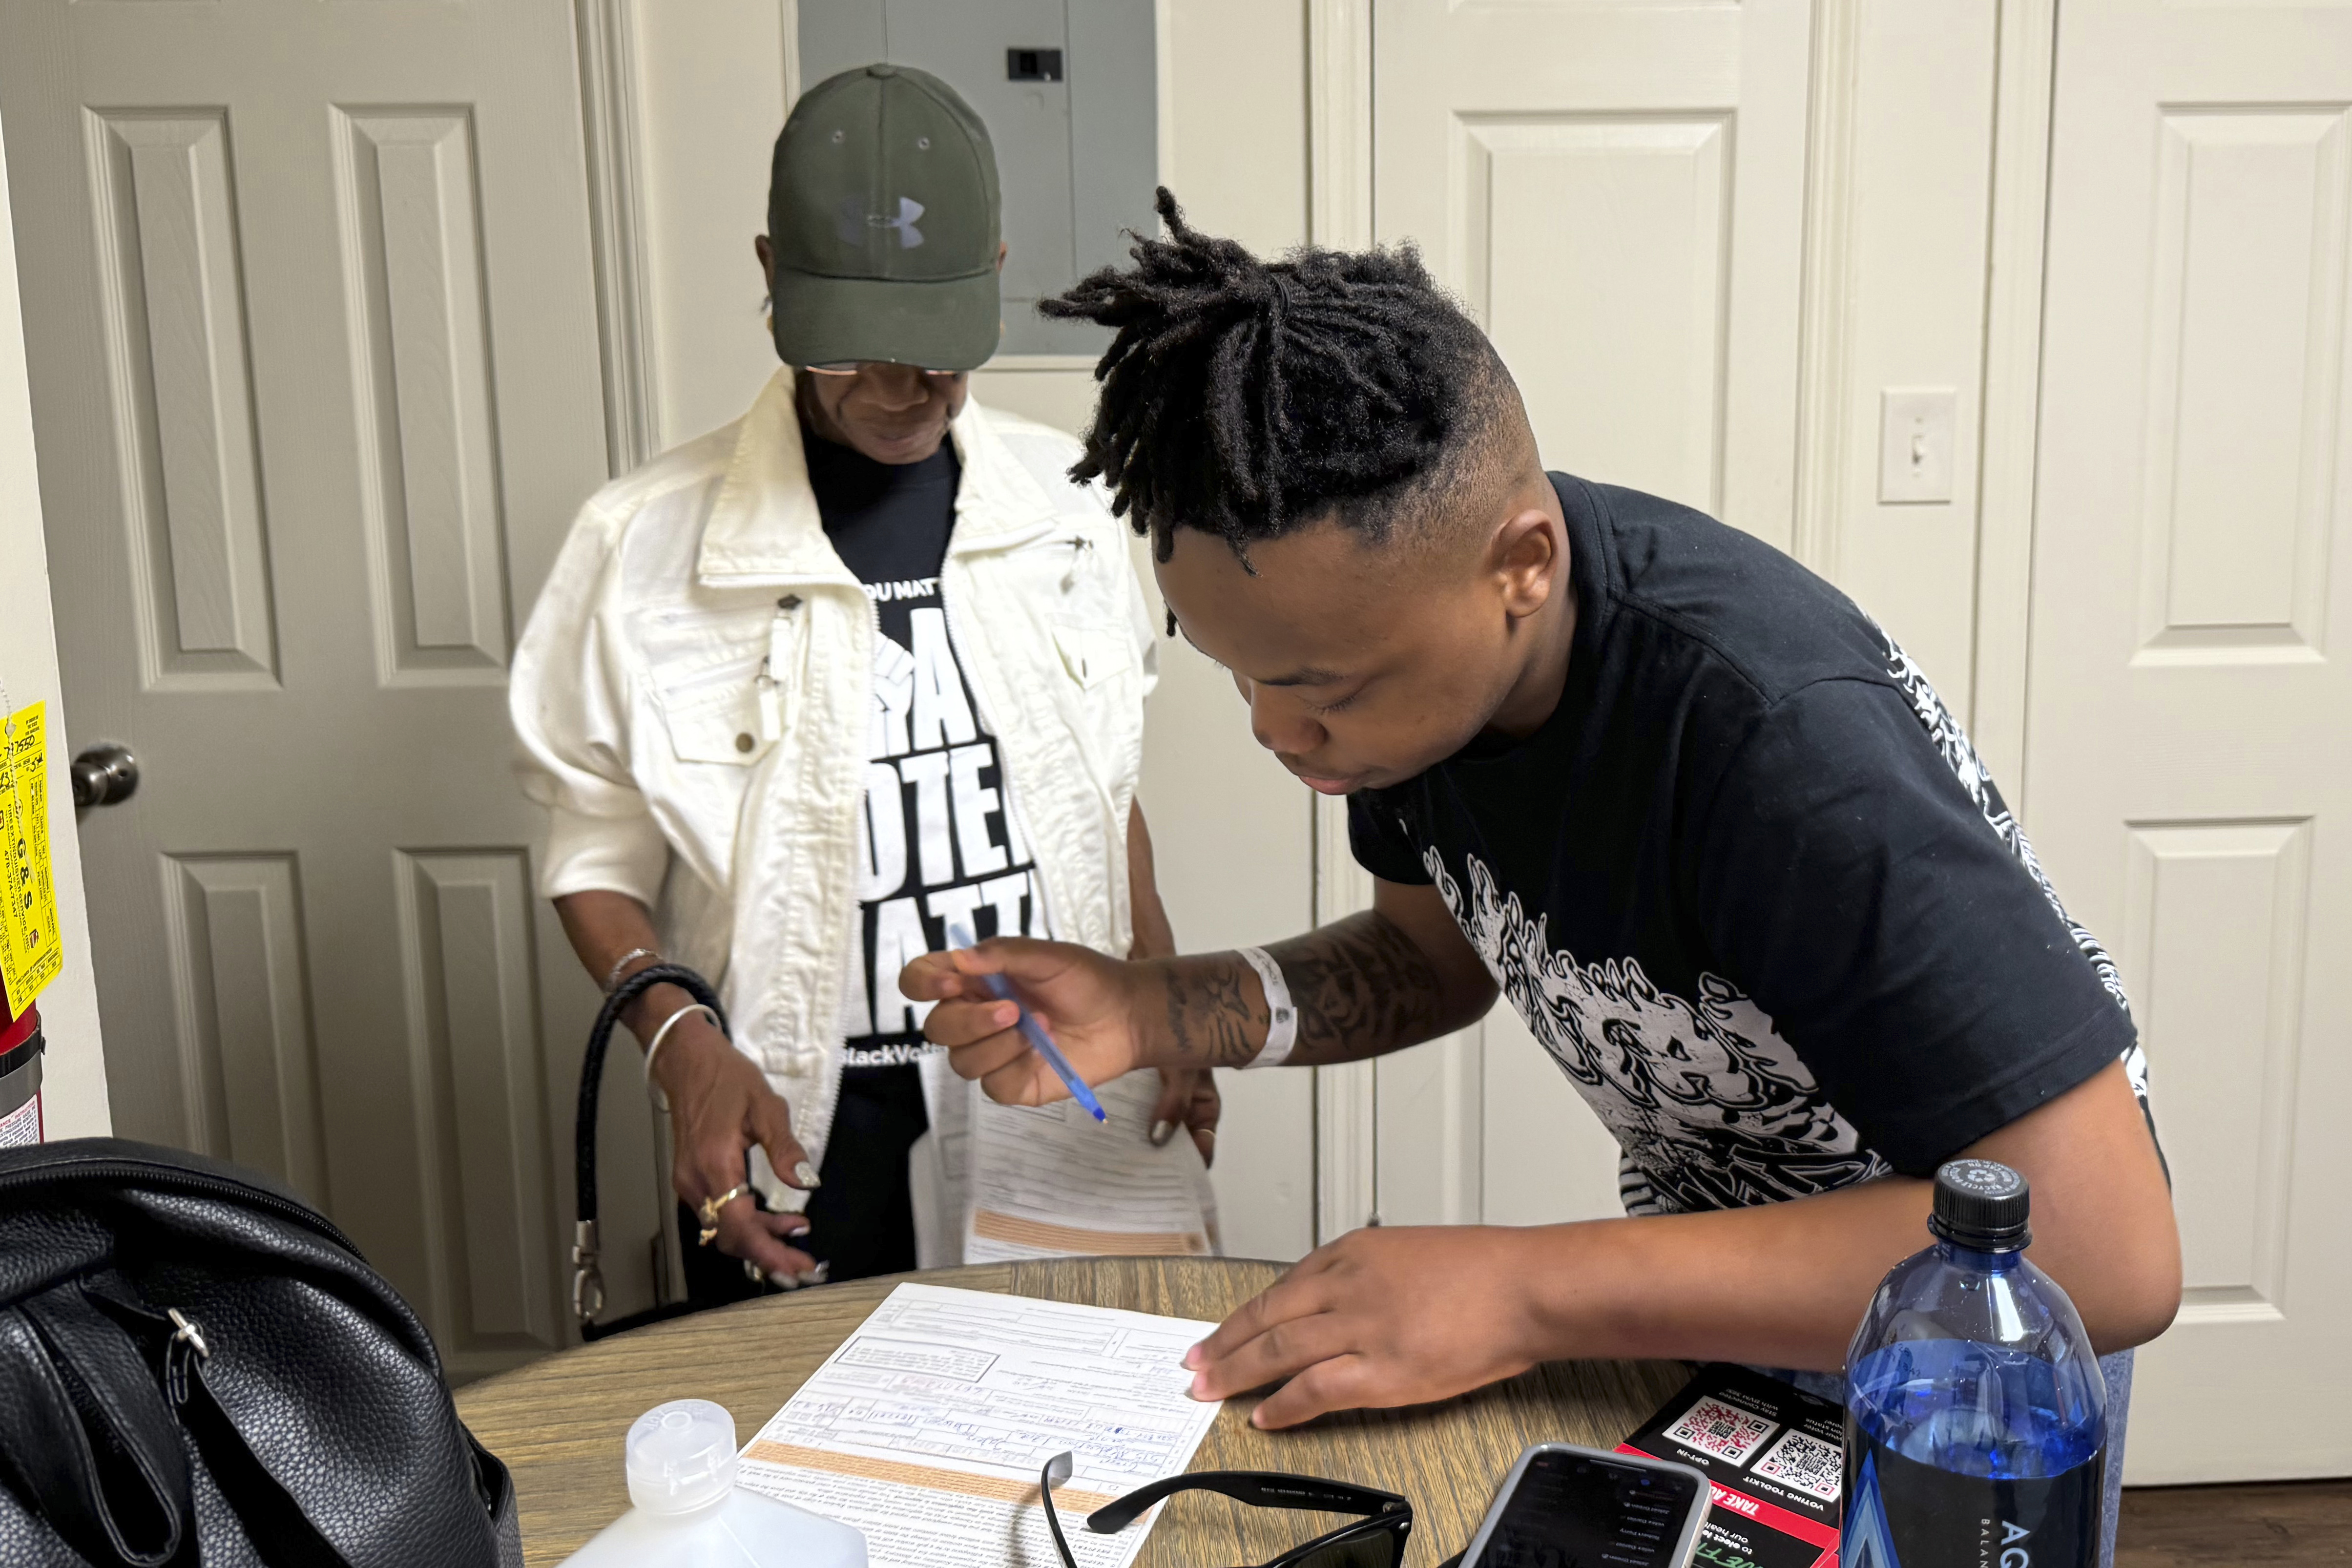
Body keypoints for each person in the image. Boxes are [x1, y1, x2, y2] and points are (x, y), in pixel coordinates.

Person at [906, 192, 2179, 1438]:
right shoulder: (1419, 670)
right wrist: (1151, 1008)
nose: (1274, 732)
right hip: (1714, 1312)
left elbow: (2103, 1253)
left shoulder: (1778, 741)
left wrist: (1516, 1288)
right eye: (1237, 669)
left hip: (1964, 1378)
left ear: (1521, 565)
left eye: (1320, 689)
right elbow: (1432, 956)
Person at [512, 70, 1214, 1307]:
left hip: (1052, 1083)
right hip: (794, 1114)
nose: (901, 388)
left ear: (991, 271)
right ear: (771, 271)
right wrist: (682, 1049)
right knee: (802, 1469)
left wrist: (1167, 1007)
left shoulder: (1072, 506)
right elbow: (594, 858)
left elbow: (1108, 790)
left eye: (935, 351)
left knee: (1071, 1443)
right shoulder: (641, 545)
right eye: (858, 349)